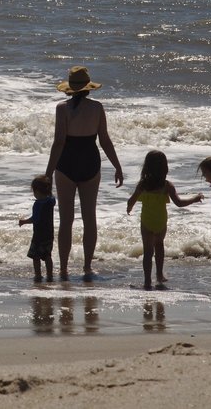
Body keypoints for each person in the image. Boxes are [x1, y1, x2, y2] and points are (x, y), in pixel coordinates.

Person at [44, 66, 124, 281]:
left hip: (66, 164)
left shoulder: (62, 109)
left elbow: (59, 142)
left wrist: (48, 172)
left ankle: (63, 268)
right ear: (88, 88)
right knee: (90, 218)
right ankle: (87, 266)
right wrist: (117, 166)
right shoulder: (97, 108)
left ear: (69, 88)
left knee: (66, 220)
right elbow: (104, 140)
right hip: (90, 162)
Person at [126, 150, 203, 289]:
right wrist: (195, 199)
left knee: (148, 252)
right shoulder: (167, 185)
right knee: (159, 246)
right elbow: (179, 203)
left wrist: (129, 208)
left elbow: (131, 200)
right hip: (161, 222)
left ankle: (147, 281)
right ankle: (160, 275)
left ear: (146, 167)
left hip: (147, 222)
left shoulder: (142, 185)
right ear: (164, 168)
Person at [18, 174, 56, 282]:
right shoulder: (51, 201)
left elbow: (35, 219)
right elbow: (52, 196)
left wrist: (24, 221)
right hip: (49, 234)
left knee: (36, 257)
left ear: (37, 192)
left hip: (38, 236)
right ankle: (50, 275)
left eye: (34, 192)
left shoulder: (38, 204)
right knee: (47, 256)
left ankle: (38, 275)